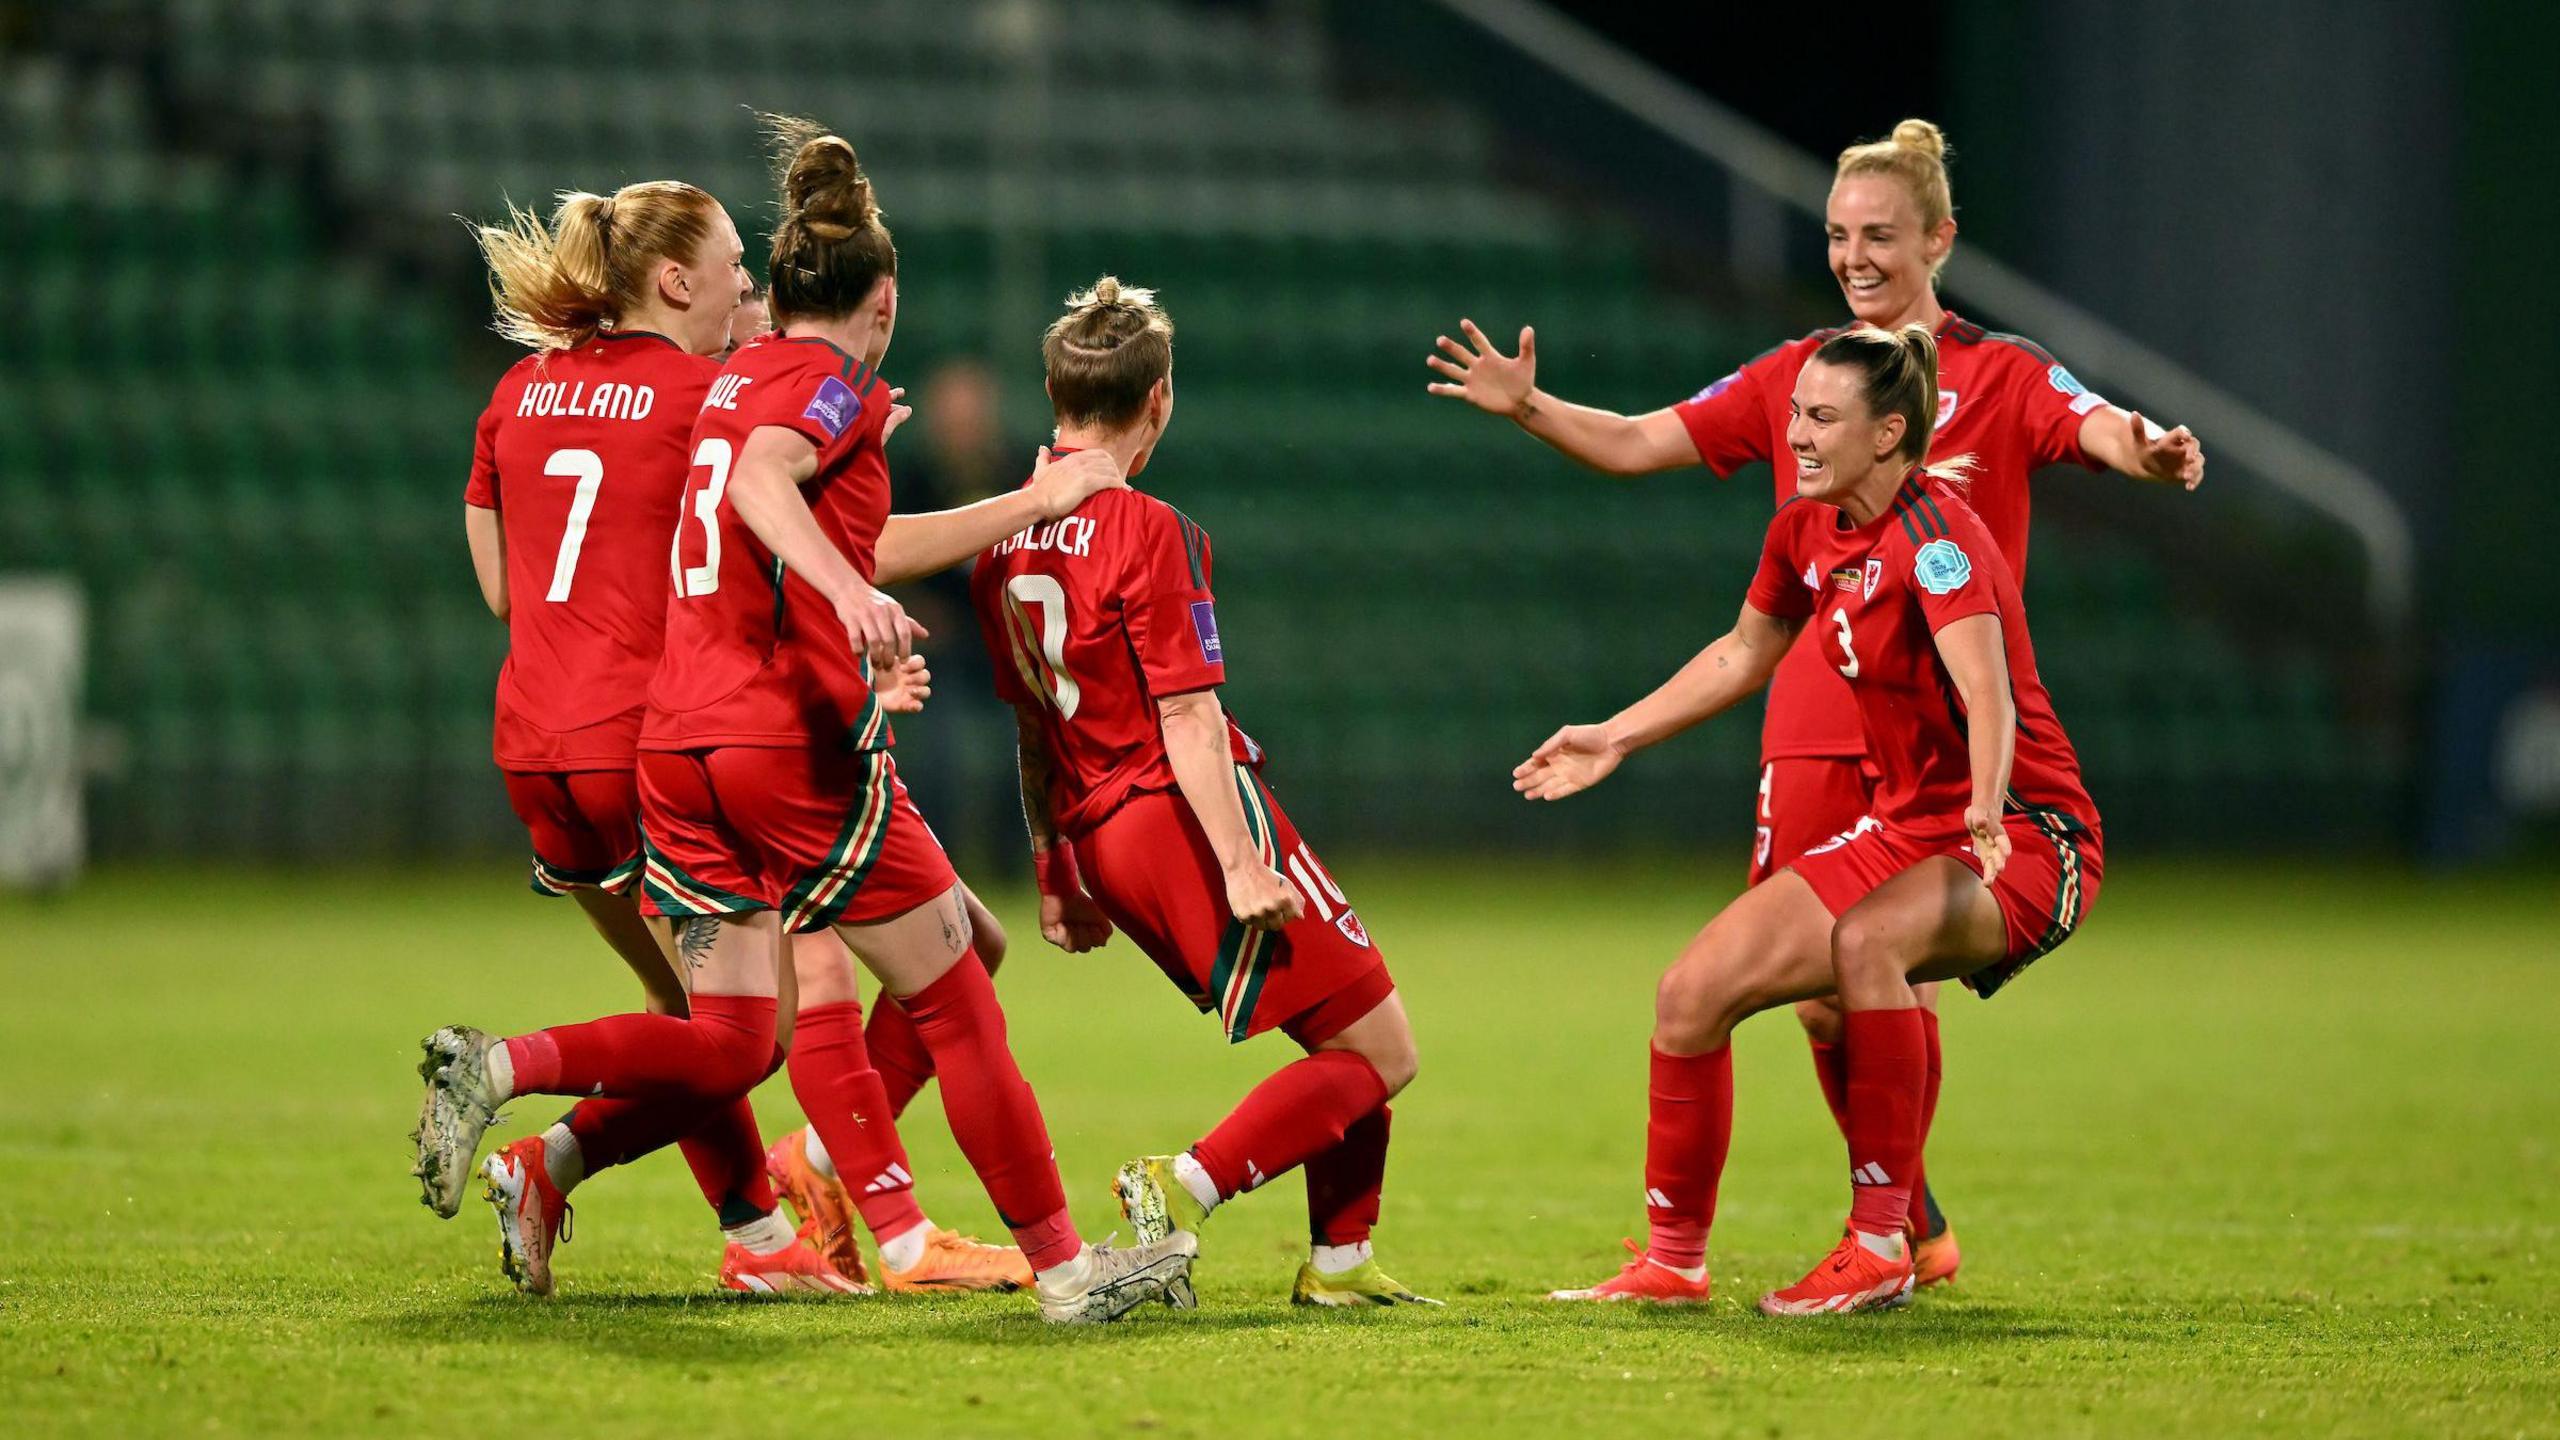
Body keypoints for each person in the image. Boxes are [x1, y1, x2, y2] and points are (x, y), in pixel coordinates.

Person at [418, 114, 1196, 1325]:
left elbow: (523, 576)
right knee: (941, 988)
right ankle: (1036, 1261)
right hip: (764, 736)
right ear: (878, 302)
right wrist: (852, 604)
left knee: (728, 1033)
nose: (733, 281)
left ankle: (525, 1089)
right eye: (719, 262)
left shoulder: (654, 382)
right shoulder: (804, 384)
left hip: (630, 739)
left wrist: (854, 584)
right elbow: (774, 495)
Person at [1429, 119, 2197, 1290]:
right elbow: (1657, 470)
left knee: (1872, 962)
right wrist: (1533, 414)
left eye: (1879, 234)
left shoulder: (1989, 400)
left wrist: (2147, 452)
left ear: (1939, 240)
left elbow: (2093, 429)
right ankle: (1757, 1246)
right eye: (1837, 235)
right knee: (1771, 992)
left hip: (1953, 760)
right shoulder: (1804, 396)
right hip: (1833, 734)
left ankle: (1895, 1228)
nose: (1854, 255)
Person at [1515, 324, 2103, 1314]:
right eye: (1793, 412)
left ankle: (1882, 1244)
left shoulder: (1939, 539)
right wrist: (1614, 735)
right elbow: (1743, 655)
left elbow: (1988, 691)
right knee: (1689, 994)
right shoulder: (1803, 529)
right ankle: (1672, 1262)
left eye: (1820, 417)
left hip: (2028, 835)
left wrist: (1988, 802)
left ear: (1887, 434)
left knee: (1866, 944)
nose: (1794, 433)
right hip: (1907, 827)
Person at [972, 279, 1431, 1307]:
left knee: (1342, 1034)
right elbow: (1186, 718)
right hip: (1176, 816)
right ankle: (1179, 1189)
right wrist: (1238, 860)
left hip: (1099, 838)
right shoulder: (1150, 529)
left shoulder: (998, 545)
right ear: (1160, 400)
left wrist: (1054, 871)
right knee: (1384, 1051)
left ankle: (1342, 1263)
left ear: (1052, 394)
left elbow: (1031, 730)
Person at [451, 179, 852, 1295]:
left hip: (534, 743)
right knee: (746, 1031)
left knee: (687, 1016)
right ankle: (525, 1104)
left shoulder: (519, 388)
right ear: (676, 280)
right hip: (644, 744)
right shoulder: (702, 396)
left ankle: (755, 1238)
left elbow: (498, 586)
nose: (749, 283)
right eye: (733, 264)